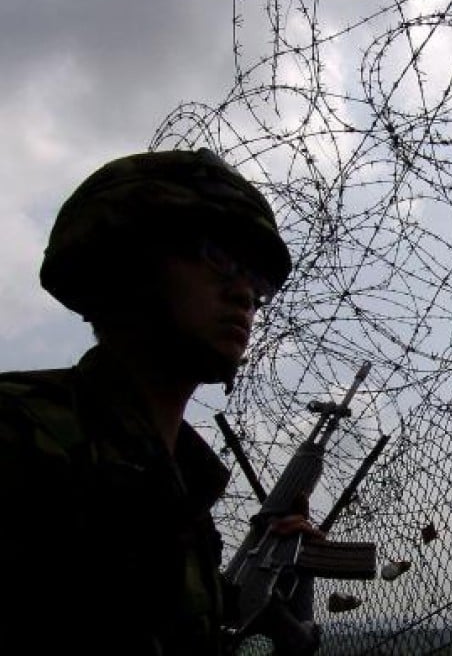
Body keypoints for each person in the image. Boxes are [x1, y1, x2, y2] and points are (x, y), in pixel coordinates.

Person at [0, 148, 319, 655]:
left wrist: (281, 576)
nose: (243, 294)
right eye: (218, 256)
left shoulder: (179, 488)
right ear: (127, 263)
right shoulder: (18, 435)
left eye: (257, 281)